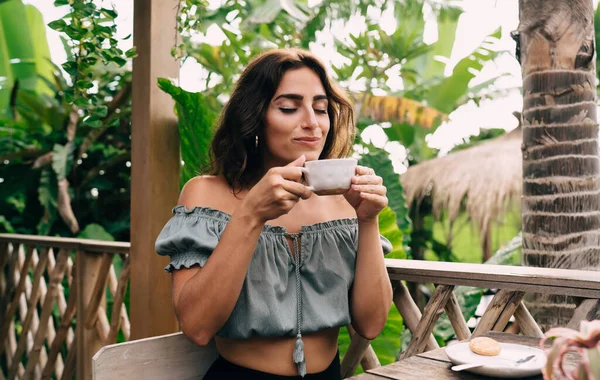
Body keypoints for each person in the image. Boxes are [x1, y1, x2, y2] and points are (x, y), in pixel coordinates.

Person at [155, 48, 393, 379]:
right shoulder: (205, 193)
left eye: (321, 109)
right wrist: (250, 216)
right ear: (254, 117)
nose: (312, 122)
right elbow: (196, 328)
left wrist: (367, 220)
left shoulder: (345, 203)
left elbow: (371, 324)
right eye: (288, 108)